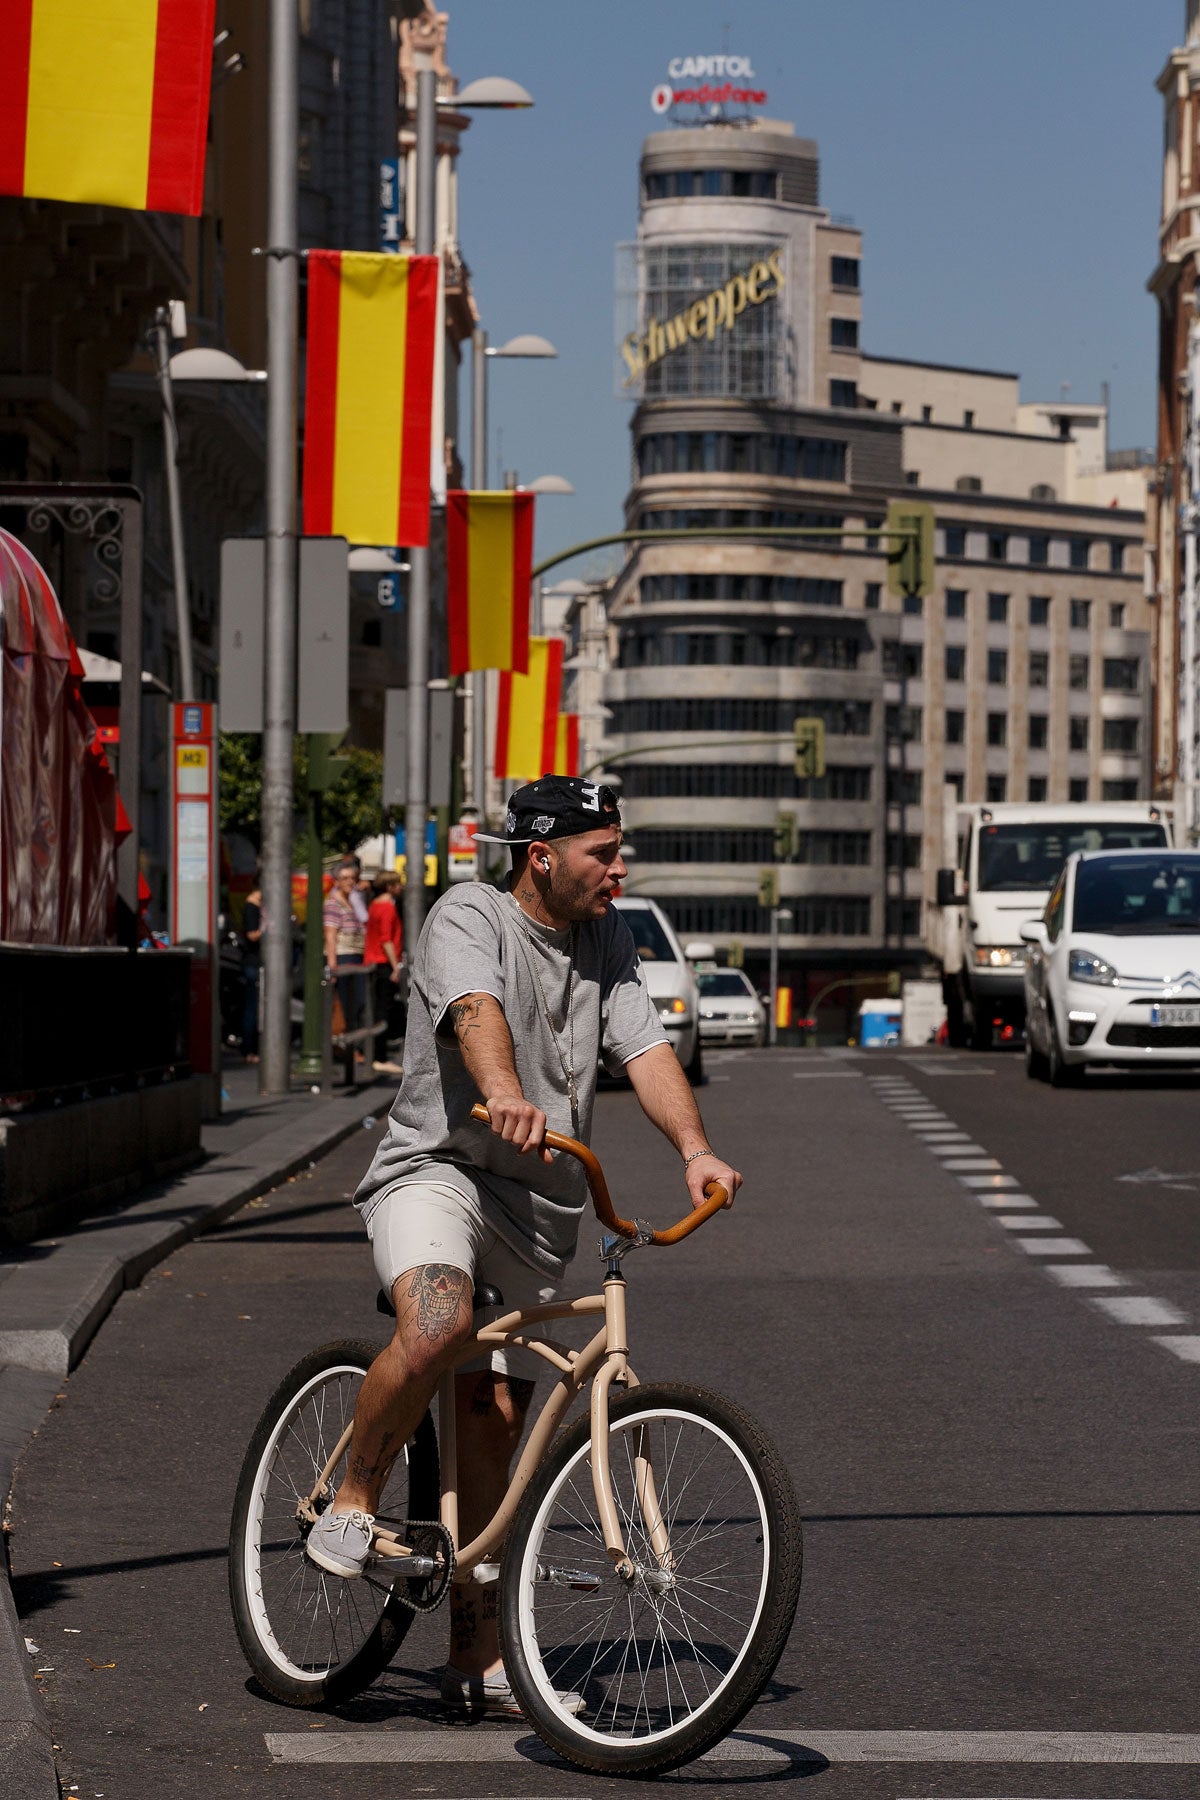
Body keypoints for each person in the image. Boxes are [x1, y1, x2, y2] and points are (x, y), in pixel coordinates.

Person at [304, 775, 742, 1719]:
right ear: (541, 856)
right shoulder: (469, 915)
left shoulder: (609, 939)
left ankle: (476, 1656)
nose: (619, 870)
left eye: (621, 851)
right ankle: (352, 1497)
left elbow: (647, 1052)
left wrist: (695, 1150)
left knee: (495, 1414)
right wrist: (502, 1091)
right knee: (436, 1322)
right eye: (604, 854)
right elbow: (475, 1015)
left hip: (541, 1204)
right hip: (442, 1171)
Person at [323, 857, 369, 1055]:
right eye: (345, 878)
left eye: (353, 878)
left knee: (356, 1003)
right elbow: (330, 936)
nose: (350, 882)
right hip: (344, 959)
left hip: (356, 958)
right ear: (336, 881)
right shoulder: (333, 903)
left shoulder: (351, 901)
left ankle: (353, 1047)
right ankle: (348, 1049)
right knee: (347, 1004)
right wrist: (332, 966)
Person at [364, 870, 404, 1074]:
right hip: (384, 963)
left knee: (377, 1009)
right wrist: (396, 965)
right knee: (383, 1010)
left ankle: (375, 1054)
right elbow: (386, 939)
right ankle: (379, 1057)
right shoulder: (387, 908)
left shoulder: (374, 905)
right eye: (397, 884)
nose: (401, 887)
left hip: (372, 961)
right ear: (389, 886)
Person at [240, 880, 263, 1062]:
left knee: (255, 1006)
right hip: (252, 962)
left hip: (256, 962)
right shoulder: (251, 907)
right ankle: (249, 1049)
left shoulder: (258, 906)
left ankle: (252, 1048)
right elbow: (252, 934)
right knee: (251, 1006)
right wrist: (268, 927)